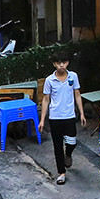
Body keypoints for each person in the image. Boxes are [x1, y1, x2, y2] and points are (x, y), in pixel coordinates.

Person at [38, 55, 87, 184]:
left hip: (69, 116)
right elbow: (45, 99)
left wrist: (81, 113)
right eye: (58, 63)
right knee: (57, 146)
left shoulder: (73, 77)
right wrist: (42, 119)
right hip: (54, 117)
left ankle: (68, 154)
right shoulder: (49, 80)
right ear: (54, 64)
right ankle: (61, 173)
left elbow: (77, 95)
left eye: (64, 62)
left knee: (72, 142)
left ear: (67, 63)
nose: (61, 65)